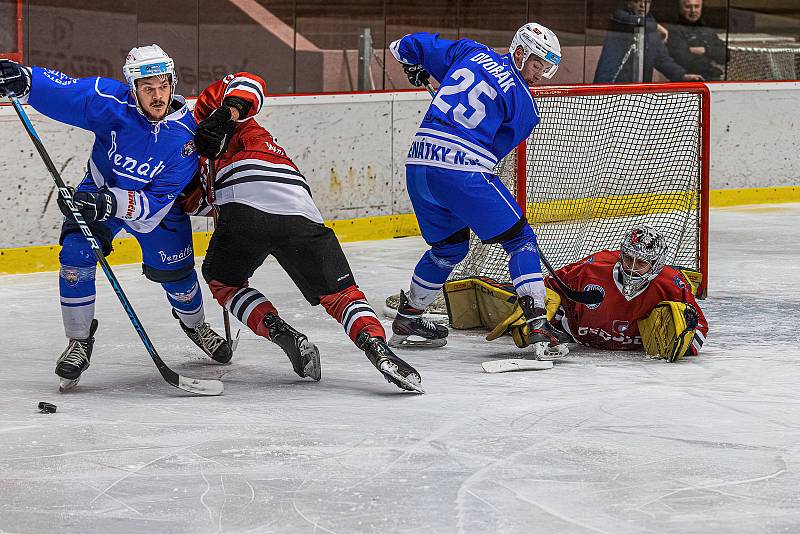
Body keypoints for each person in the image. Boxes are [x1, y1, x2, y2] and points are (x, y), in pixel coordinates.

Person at [0, 46, 231, 391]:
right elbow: (65, 92)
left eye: (163, 86)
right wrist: (25, 81)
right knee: (75, 257)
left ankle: (194, 324)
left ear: (172, 83)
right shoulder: (110, 103)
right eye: (148, 88)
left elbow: (154, 203)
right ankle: (79, 342)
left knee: (180, 281)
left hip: (156, 215)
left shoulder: (186, 138)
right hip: (98, 194)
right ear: (133, 88)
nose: (158, 96)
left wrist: (110, 202)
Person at [180, 71, 423, 393]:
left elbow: (247, 83)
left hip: (244, 210)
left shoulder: (203, 114)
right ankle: (377, 347)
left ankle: (281, 331)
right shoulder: (197, 152)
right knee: (342, 294)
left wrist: (226, 114)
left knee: (223, 280)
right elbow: (198, 202)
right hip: (299, 209)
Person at [386, 23, 566, 350]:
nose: (541, 74)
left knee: (449, 249)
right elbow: (491, 154)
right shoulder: (525, 105)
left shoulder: (471, 51)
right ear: (520, 52)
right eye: (538, 63)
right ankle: (539, 325)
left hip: (419, 165)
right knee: (520, 239)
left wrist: (413, 64)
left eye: (548, 67)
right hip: (461, 171)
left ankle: (408, 317)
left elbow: (403, 45)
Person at [542, 225, 708, 358]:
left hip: (637, 358)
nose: (631, 267)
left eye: (641, 262)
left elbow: (700, 325)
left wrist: (683, 346)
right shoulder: (593, 267)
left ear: (656, 264)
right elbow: (550, 284)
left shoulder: (671, 284)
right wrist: (537, 317)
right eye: (628, 258)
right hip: (573, 337)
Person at [593, 0, 705, 83]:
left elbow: (662, 59)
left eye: (647, 2)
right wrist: (657, 26)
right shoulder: (619, 18)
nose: (643, 5)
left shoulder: (650, 27)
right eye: (637, 1)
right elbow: (634, 22)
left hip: (640, 92)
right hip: (610, 88)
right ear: (629, 3)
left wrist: (682, 76)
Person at [667, 0, 726, 81]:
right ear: (680, 9)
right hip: (686, 81)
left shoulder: (708, 31)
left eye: (697, 6)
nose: (693, 10)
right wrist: (712, 59)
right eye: (688, 7)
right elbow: (683, 59)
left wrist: (705, 50)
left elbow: (726, 55)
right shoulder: (673, 30)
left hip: (713, 80)